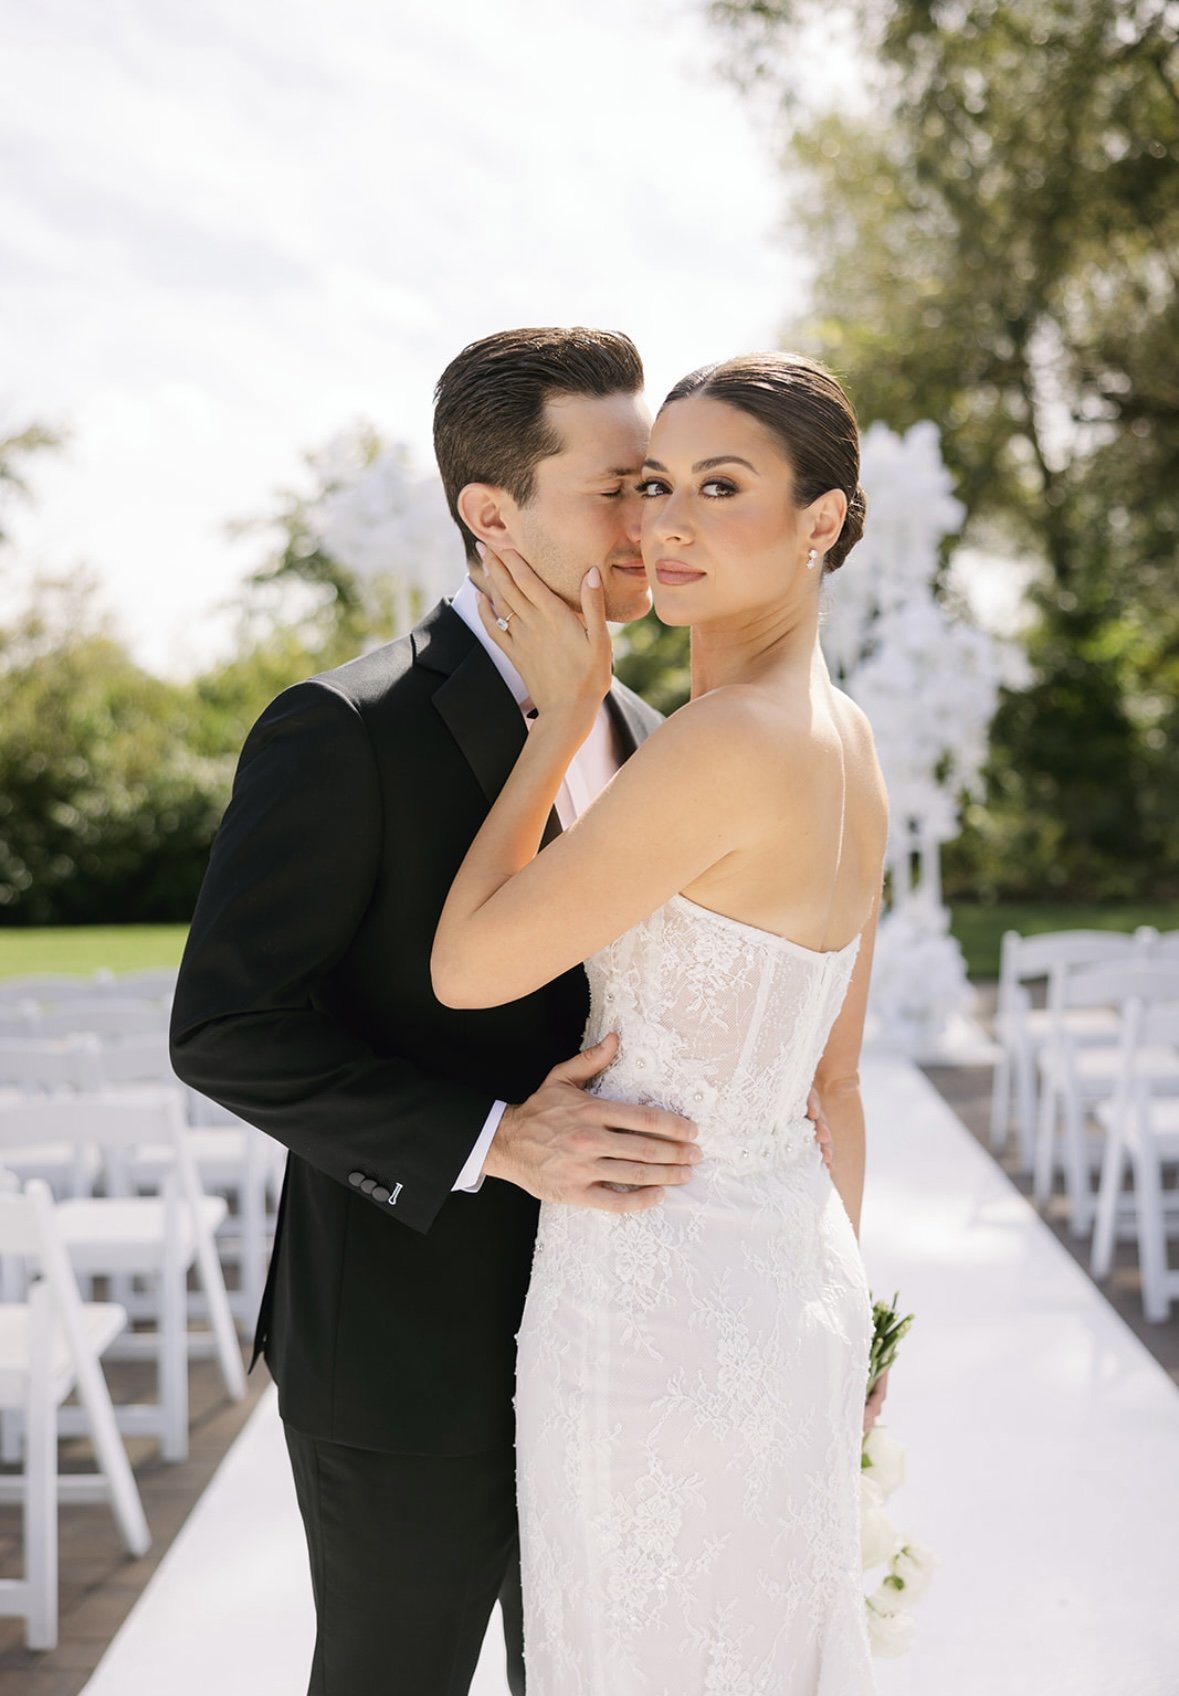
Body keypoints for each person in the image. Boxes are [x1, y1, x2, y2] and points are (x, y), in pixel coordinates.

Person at [169, 326, 835, 1696]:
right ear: (493, 512)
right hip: (409, 1346)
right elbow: (226, 1027)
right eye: (618, 488)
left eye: (663, 483)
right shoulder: (343, 729)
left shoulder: (659, 738)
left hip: (630, 1342)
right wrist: (488, 1140)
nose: (650, 521)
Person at [432, 350, 888, 1694]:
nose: (666, 526)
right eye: (655, 484)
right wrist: (848, 1328)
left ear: (824, 521)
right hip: (795, 1292)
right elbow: (839, 1085)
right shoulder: (851, 740)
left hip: (652, 1308)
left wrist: (563, 712)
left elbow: (468, 967)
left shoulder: (720, 742)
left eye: (721, 486)